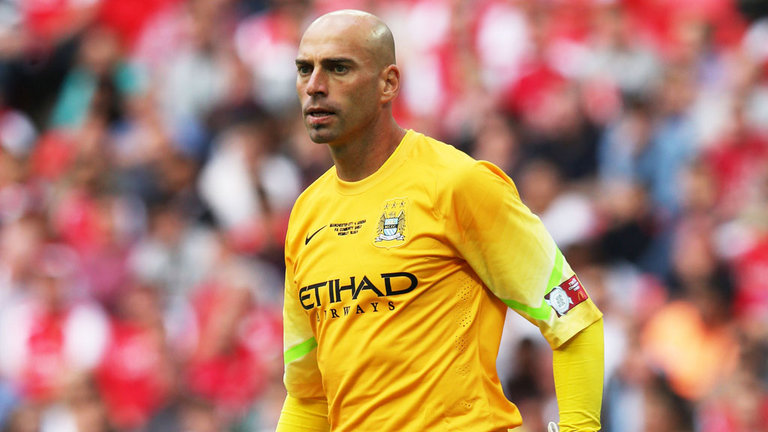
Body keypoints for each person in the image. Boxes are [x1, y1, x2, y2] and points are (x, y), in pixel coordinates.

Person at [277, 9, 604, 432]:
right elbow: (309, 397)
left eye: (339, 68)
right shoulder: (306, 214)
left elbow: (574, 319)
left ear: (388, 83)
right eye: (305, 69)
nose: (315, 86)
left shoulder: (458, 183)